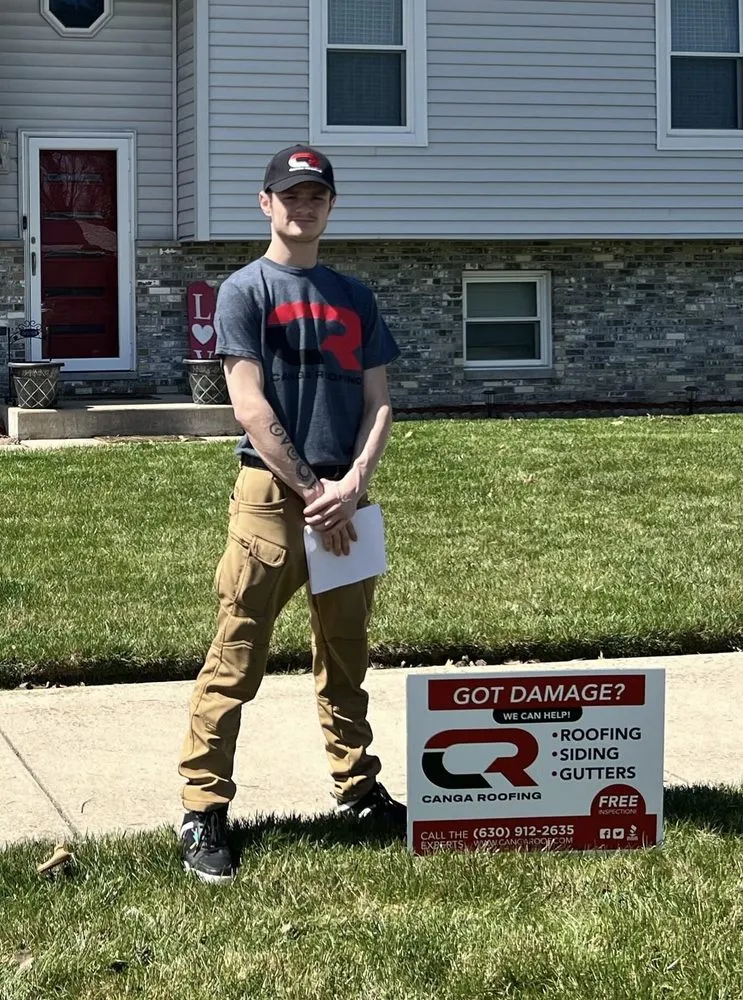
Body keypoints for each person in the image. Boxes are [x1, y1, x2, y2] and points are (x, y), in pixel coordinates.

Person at [178, 144, 405, 884]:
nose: (303, 207)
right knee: (235, 654)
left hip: (348, 496)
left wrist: (354, 482)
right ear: (265, 202)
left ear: (329, 205)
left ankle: (358, 789)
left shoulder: (355, 295)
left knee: (346, 654)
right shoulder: (244, 290)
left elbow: (378, 403)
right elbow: (248, 404)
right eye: (290, 195)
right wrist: (315, 493)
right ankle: (203, 807)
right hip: (274, 501)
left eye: (316, 196)